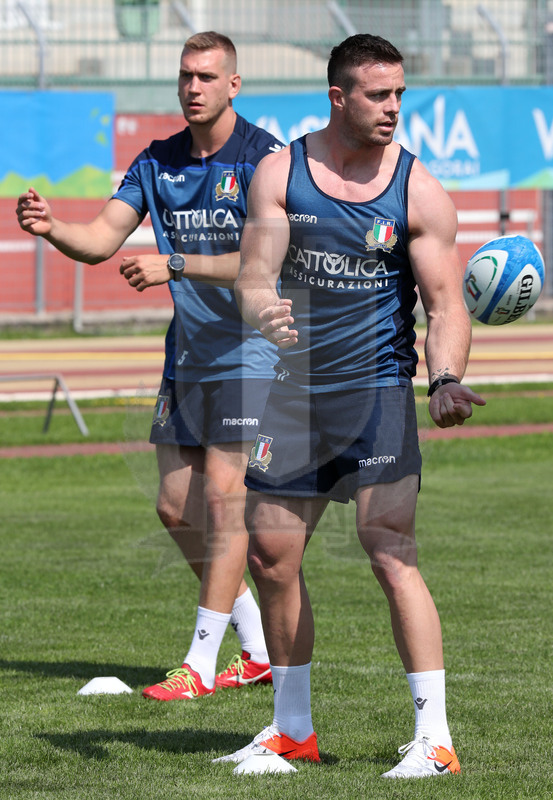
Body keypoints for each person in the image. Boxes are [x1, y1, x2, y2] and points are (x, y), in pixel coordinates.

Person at [212, 33, 486, 777]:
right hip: (293, 395)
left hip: (377, 391)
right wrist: (263, 310)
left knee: (389, 548)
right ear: (338, 97)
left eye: (399, 94)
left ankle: (434, 740)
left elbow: (443, 304)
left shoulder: (418, 190)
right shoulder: (282, 172)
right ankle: (291, 730)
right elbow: (253, 275)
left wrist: (444, 379)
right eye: (377, 94)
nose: (392, 107)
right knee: (271, 557)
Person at [15, 31, 284, 701]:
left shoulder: (264, 160)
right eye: (185, 75)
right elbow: (101, 238)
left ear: (233, 84)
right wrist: (53, 228)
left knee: (223, 500)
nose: (193, 87)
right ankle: (255, 648)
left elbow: (262, 262)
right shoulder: (156, 162)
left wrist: (176, 263)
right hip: (188, 354)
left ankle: (198, 664)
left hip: (251, 351)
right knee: (174, 507)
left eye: (206, 76)